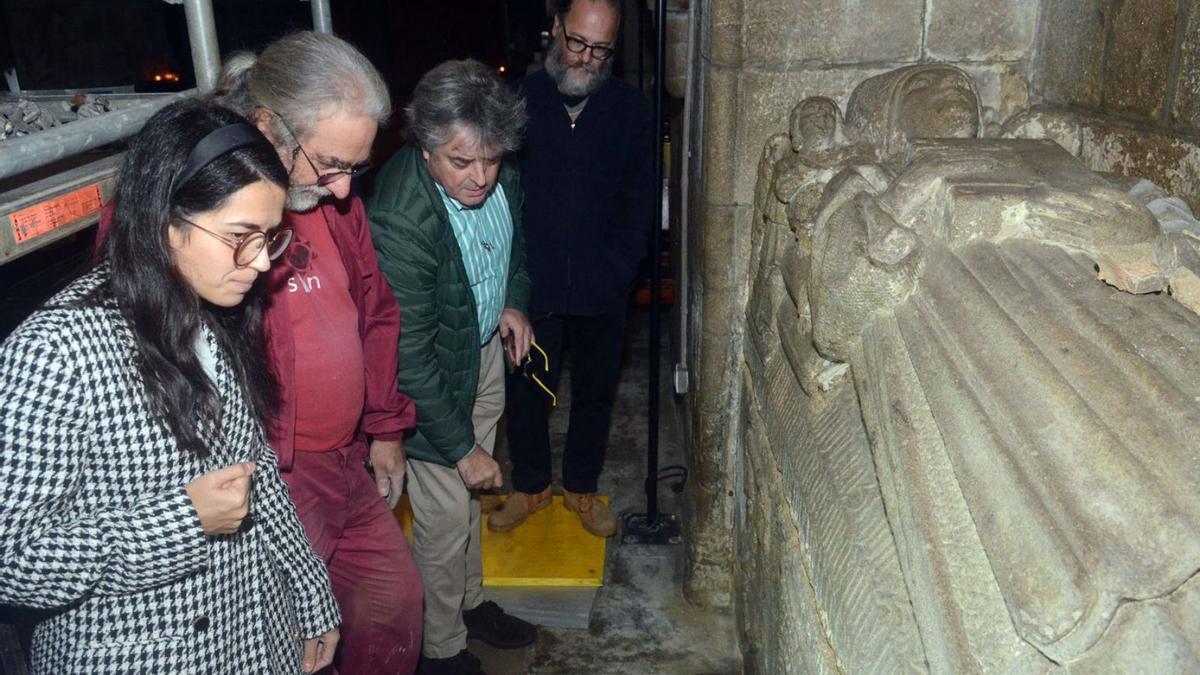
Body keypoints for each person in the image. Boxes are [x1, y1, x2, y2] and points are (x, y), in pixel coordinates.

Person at [0, 98, 340, 674]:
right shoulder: (54, 351)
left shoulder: (212, 309)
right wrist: (180, 521)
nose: (260, 263)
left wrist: (311, 594)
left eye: (270, 236)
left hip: (254, 638)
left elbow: (255, 471)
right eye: (242, 235)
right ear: (166, 224)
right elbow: (13, 560)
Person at [214, 32, 424, 675]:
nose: (340, 190)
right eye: (330, 165)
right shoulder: (208, 210)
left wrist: (385, 429)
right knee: (294, 636)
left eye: (353, 170)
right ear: (267, 127)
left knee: (394, 600)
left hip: (346, 460)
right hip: (274, 473)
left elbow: (376, 314)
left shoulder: (333, 207)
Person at [367, 59, 536, 675]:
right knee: (442, 518)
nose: (481, 178)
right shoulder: (399, 215)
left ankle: (471, 603)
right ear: (425, 144)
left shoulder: (499, 168)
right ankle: (440, 650)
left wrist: (513, 300)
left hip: (483, 350)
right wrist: (460, 446)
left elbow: (516, 243)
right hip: (428, 379)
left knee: (471, 500)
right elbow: (407, 353)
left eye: (491, 160)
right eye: (461, 163)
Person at [492, 0, 654, 537]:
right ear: (556, 29)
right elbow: (497, 196)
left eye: (601, 49)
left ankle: (582, 489)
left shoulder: (631, 112)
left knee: (595, 393)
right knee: (526, 391)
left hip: (603, 288)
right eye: (577, 43)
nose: (586, 59)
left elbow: (640, 203)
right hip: (531, 285)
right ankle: (531, 486)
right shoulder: (516, 101)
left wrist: (619, 273)